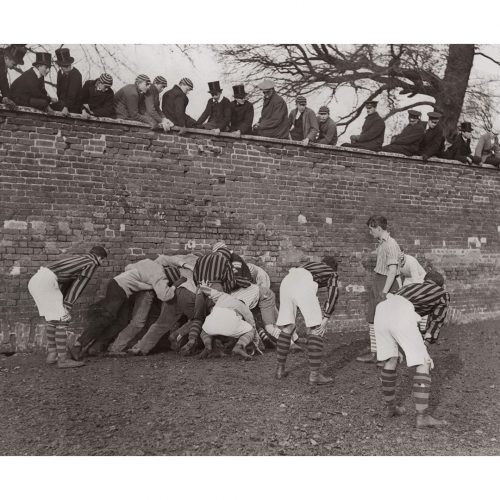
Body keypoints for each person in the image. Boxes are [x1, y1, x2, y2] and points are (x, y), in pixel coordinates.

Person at [374, 270, 450, 428]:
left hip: (381, 310)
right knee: (423, 363)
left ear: (425, 281)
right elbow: (436, 322)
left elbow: (402, 314)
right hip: (401, 312)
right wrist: (426, 344)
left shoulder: (410, 287)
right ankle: (422, 417)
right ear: (440, 284)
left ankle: (390, 408)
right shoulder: (442, 293)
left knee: (390, 359)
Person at [70, 257, 182, 359]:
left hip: (119, 286)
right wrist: (174, 285)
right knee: (106, 318)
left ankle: (96, 347)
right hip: (120, 288)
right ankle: (79, 344)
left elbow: (128, 268)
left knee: (120, 322)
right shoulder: (158, 273)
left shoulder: (146, 263)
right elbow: (165, 295)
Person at [28, 246, 107, 368]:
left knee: (53, 318)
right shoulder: (92, 263)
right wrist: (67, 305)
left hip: (36, 280)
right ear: (100, 257)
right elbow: (79, 285)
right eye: (103, 260)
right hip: (48, 281)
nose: (102, 263)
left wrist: (62, 304)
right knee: (63, 319)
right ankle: (63, 360)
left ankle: (52, 354)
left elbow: (66, 282)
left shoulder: (81, 259)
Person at [275, 257, 340, 385]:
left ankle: (279, 370)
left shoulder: (309, 265)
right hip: (303, 284)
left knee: (288, 327)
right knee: (315, 329)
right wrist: (326, 317)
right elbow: (333, 293)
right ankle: (315, 376)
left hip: (287, 281)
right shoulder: (332, 272)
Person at [119, 254, 198, 356]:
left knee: (161, 324)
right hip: (187, 293)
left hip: (173, 293)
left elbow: (164, 259)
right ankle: (177, 334)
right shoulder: (199, 263)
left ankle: (140, 348)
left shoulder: (178, 259)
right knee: (200, 319)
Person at [180, 244, 242, 356]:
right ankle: (215, 347)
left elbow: (195, 277)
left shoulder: (201, 259)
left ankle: (192, 340)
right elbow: (231, 282)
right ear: (226, 254)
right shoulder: (225, 260)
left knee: (198, 318)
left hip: (200, 288)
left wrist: (201, 286)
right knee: (216, 318)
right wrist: (225, 292)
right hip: (216, 288)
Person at [357, 215, 401, 364]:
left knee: (386, 321)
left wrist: (385, 292)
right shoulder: (381, 244)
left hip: (387, 283)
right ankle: (375, 352)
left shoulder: (391, 244)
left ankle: (390, 356)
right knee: (373, 317)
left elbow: (393, 271)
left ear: (379, 228)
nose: (370, 233)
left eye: (371, 229)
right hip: (379, 281)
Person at [199, 286, 259, 360]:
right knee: (251, 330)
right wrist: (256, 344)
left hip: (213, 319)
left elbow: (210, 292)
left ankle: (207, 344)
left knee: (205, 330)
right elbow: (252, 325)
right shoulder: (243, 306)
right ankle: (239, 346)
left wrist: (202, 286)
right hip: (230, 321)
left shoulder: (223, 296)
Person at [50, 48, 82, 115]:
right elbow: (59, 91)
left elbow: (73, 94)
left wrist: (66, 107)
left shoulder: (76, 74)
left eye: (68, 65)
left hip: (73, 106)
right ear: (60, 65)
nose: (67, 68)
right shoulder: (59, 73)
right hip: (62, 104)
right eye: (64, 66)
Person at [0, 44, 27, 109]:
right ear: (6, 58)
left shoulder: (3, 66)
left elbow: (4, 84)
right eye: (14, 64)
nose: (15, 67)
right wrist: (2, 99)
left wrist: (6, 97)